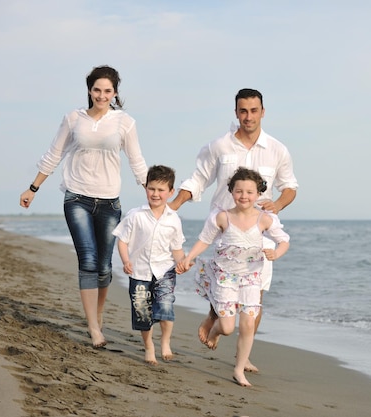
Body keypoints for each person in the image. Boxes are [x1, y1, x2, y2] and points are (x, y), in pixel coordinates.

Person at [168, 88, 298, 372]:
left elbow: (290, 187)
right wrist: (173, 205)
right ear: (236, 112)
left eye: (253, 111)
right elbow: (198, 179)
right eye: (243, 111)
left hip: (258, 234)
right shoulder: (220, 146)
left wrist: (276, 204)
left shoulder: (277, 149)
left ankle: (243, 356)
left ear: (263, 112)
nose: (248, 116)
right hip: (225, 232)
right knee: (226, 285)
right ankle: (215, 316)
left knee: (256, 297)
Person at [19, 65, 149, 348]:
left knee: (104, 267)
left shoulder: (125, 123)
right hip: (76, 197)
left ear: (115, 93)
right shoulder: (73, 118)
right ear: (89, 90)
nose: (102, 96)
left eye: (108, 91)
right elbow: (54, 154)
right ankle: (93, 328)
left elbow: (137, 162)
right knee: (88, 261)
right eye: (97, 90)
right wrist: (33, 187)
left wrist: (153, 196)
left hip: (109, 201)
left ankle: (97, 315)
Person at [176, 168, 290, 387]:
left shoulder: (265, 219)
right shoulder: (222, 217)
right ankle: (215, 330)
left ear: (258, 194)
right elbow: (204, 240)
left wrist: (276, 253)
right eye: (239, 191)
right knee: (228, 328)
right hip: (226, 277)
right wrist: (189, 258)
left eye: (249, 192)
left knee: (248, 323)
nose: (244, 196)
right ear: (231, 192)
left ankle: (238, 369)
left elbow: (283, 240)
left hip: (251, 278)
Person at [112, 165, 185, 364]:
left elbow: (177, 249)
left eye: (161, 190)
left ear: (170, 192)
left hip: (165, 271)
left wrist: (182, 263)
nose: (156, 194)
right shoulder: (135, 215)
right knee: (142, 313)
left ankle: (165, 342)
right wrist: (126, 261)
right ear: (146, 188)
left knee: (166, 306)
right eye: (152, 188)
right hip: (139, 271)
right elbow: (123, 240)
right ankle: (149, 347)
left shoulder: (174, 219)